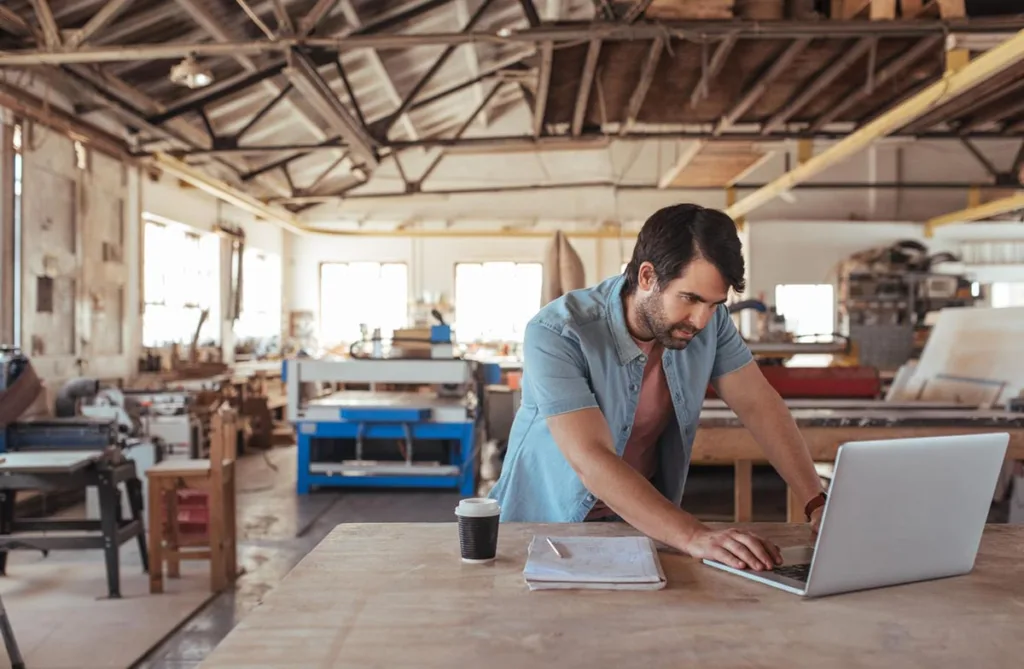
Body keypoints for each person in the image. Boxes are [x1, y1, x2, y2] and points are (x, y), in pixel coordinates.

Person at [488, 204, 826, 573]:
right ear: (647, 276)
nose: (701, 320)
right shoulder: (557, 332)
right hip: (544, 528)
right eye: (690, 298)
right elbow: (591, 459)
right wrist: (694, 535)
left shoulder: (711, 325)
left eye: (714, 304)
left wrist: (816, 503)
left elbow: (760, 405)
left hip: (639, 527)